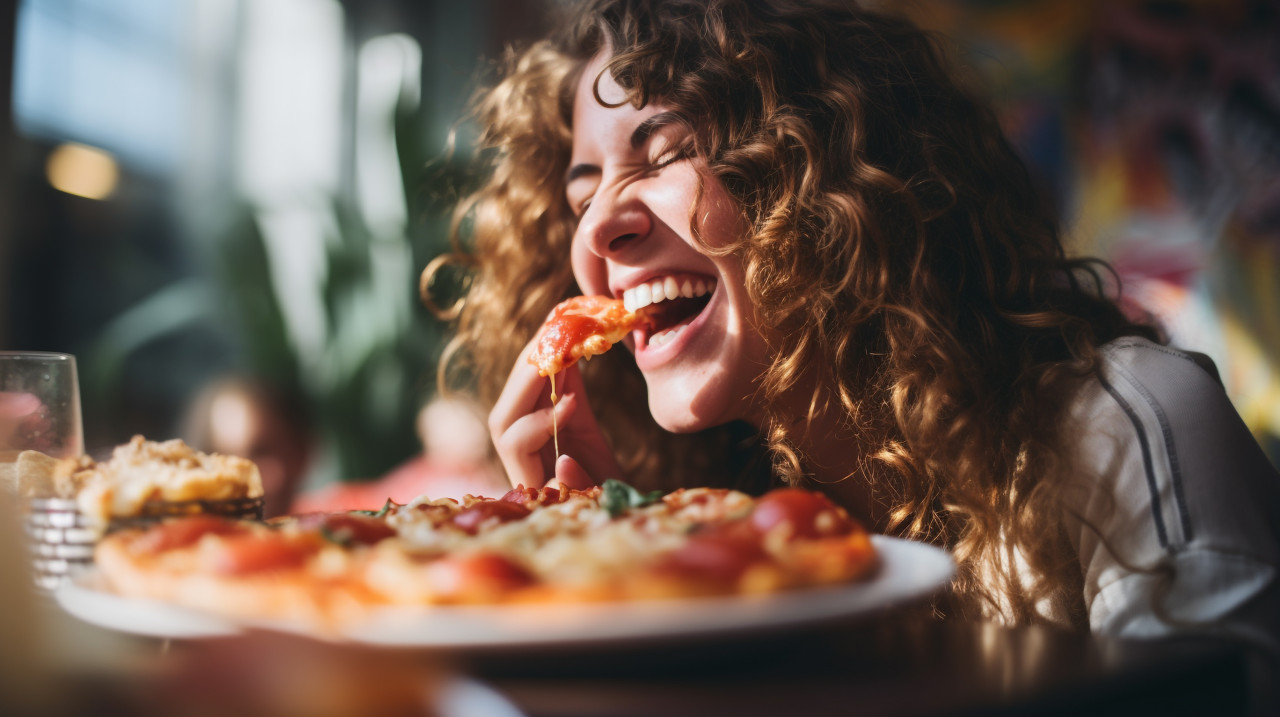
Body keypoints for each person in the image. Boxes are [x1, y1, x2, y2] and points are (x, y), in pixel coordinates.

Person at [425, 0, 1280, 661]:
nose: (598, 231)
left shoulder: (1126, 430)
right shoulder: (728, 513)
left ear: (827, 170)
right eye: (580, 198)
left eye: (664, 154)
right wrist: (618, 565)